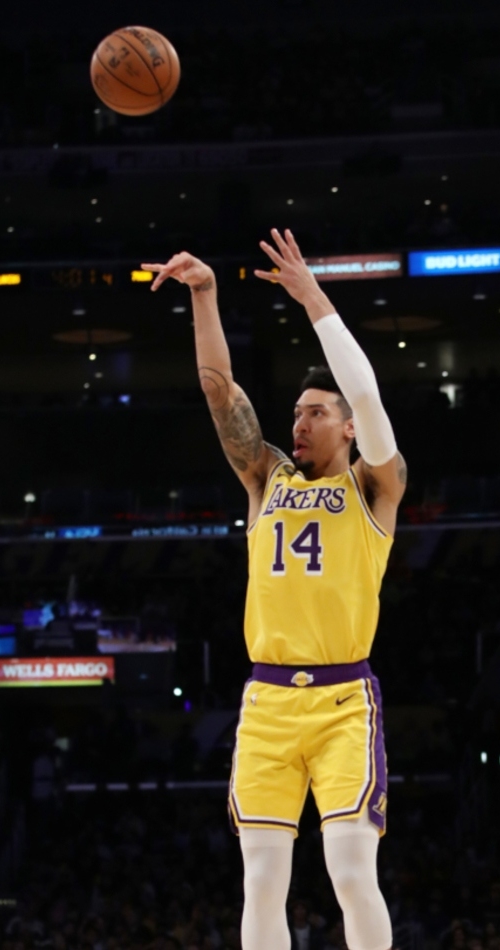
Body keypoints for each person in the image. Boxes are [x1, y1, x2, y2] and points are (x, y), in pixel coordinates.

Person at [142, 228, 406, 950]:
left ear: (348, 428)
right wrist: (205, 295)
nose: (299, 422)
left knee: (351, 872)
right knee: (262, 879)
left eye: (316, 413)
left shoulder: (375, 485)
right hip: (266, 701)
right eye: (296, 414)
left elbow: (370, 395)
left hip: (343, 700)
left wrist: (316, 300)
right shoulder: (265, 477)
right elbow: (219, 390)